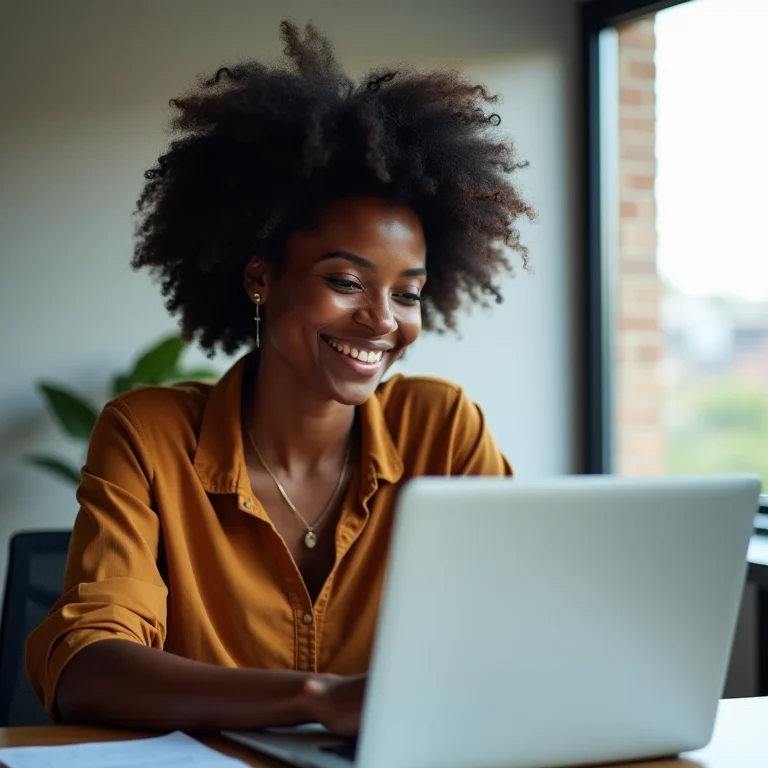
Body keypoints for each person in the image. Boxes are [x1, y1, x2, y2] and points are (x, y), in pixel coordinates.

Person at [25, 21, 534, 736]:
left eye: (408, 293)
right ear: (261, 277)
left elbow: (525, 624)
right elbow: (86, 665)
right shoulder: (148, 435)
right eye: (345, 281)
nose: (382, 321)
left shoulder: (443, 430)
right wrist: (318, 700)